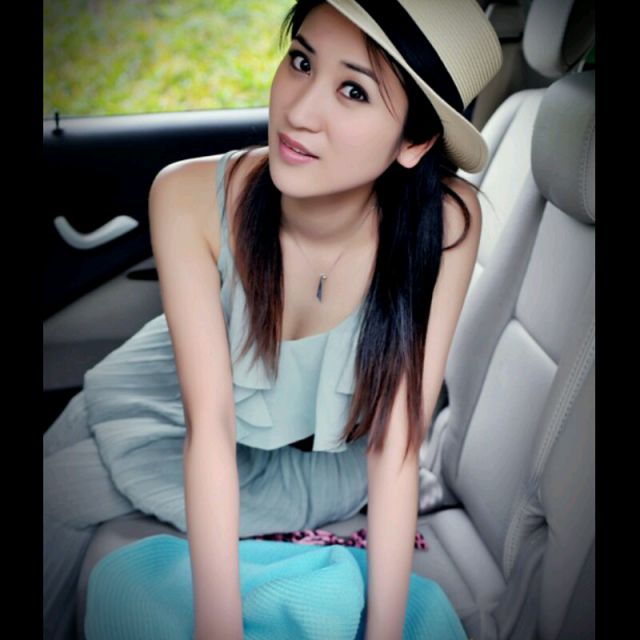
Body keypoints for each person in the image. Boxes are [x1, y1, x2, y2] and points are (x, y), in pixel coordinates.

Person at [43, 0, 503, 638]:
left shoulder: (447, 223)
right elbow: (209, 428)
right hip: (162, 418)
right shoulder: (185, 196)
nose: (299, 110)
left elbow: (397, 444)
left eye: (353, 90)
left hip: (320, 467)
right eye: (301, 61)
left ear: (414, 143)